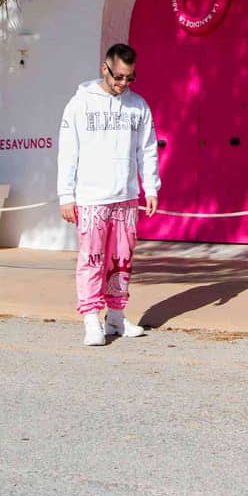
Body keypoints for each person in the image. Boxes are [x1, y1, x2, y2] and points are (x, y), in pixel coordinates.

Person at [58, 42, 160, 346]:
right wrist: (66, 195)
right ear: (105, 68)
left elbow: (148, 150)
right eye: (118, 77)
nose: (123, 84)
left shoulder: (138, 106)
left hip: (126, 195)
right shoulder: (79, 104)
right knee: (91, 259)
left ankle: (115, 317)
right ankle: (91, 318)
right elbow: (68, 152)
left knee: (121, 259)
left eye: (130, 78)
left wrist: (150, 186)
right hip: (90, 198)